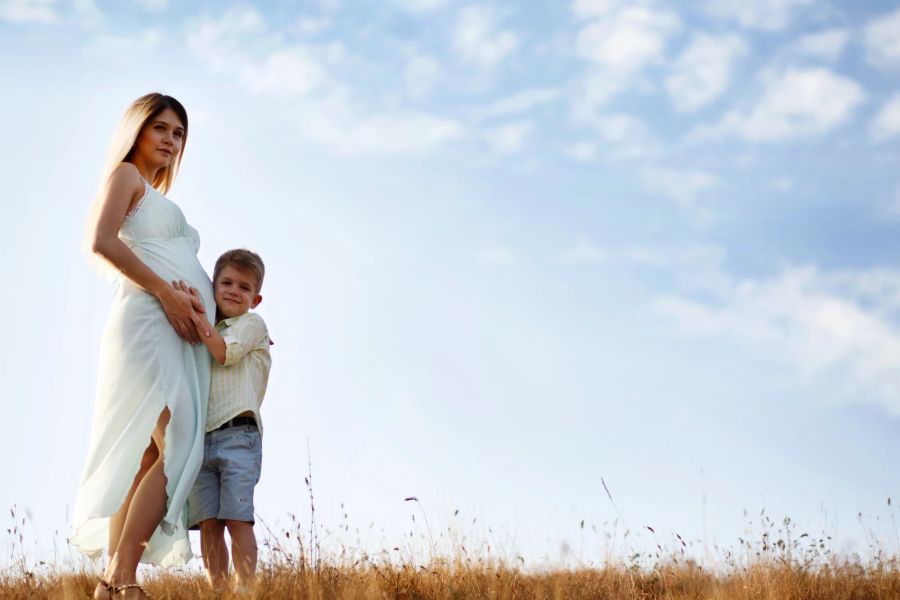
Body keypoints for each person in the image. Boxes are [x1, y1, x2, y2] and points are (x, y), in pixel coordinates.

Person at [71, 93, 213, 600]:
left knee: (150, 451)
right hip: (149, 322)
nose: (172, 141)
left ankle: (112, 583)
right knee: (179, 439)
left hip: (171, 322)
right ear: (137, 129)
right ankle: (122, 578)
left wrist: (193, 298)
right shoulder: (126, 177)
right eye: (162, 129)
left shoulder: (152, 194)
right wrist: (166, 294)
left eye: (179, 134)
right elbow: (102, 241)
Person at [178, 249, 272, 590]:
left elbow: (225, 352)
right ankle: (217, 589)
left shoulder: (251, 324)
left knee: (237, 517)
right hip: (202, 438)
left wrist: (197, 315)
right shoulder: (209, 330)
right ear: (213, 285)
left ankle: (244, 589)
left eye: (244, 287)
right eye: (226, 282)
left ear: (255, 299)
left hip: (238, 434)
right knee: (208, 522)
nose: (233, 290)